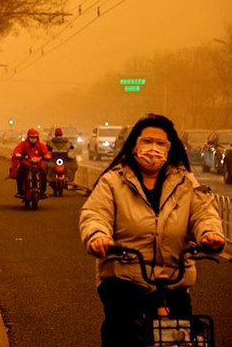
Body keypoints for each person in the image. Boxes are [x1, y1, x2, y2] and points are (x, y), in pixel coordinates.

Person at [78, 114, 225, 347]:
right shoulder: (112, 181)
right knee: (120, 333)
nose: (153, 148)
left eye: (160, 143)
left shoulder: (186, 182)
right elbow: (95, 215)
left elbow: (204, 213)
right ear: (134, 146)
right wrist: (98, 236)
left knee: (181, 336)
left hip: (174, 279)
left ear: (170, 148)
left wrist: (210, 234)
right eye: (147, 142)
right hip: (124, 277)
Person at [9, 128, 51, 198]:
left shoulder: (41, 145)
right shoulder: (23, 145)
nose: (33, 139)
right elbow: (17, 151)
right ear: (28, 137)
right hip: (25, 165)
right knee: (19, 175)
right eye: (31, 137)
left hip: (37, 165)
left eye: (34, 137)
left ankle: (43, 192)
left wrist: (47, 156)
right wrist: (17, 155)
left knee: (43, 175)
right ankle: (20, 191)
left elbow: (46, 152)